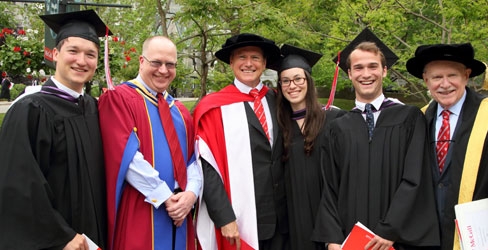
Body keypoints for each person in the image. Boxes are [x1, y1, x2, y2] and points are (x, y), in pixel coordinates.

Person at [312, 29, 440, 250]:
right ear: (349, 74)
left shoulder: (409, 118)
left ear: (385, 70)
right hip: (350, 240)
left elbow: (415, 179)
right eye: (358, 68)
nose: (366, 74)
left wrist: (390, 229)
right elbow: (330, 186)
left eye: (373, 66)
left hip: (396, 240)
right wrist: (332, 238)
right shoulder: (337, 128)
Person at [0, 9, 108, 249]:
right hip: (57, 242)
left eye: (90, 54)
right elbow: (18, 187)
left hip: (95, 235)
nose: (82, 61)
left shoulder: (94, 108)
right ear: (55, 53)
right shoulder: (30, 110)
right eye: (73, 51)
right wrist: (61, 237)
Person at [406, 43, 488, 250]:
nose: (445, 84)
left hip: (484, 242)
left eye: (452, 75)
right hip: (428, 240)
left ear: (466, 76)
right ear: (426, 80)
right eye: (437, 77)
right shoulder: (420, 119)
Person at [98, 35, 201, 250]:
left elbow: (193, 160)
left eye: (170, 64)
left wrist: (191, 194)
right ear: (141, 61)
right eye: (156, 62)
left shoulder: (180, 110)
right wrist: (165, 197)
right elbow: (126, 157)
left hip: (179, 212)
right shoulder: (119, 99)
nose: (163, 70)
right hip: (142, 207)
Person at [193, 33, 288, 250]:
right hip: (240, 220)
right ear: (231, 63)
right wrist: (224, 217)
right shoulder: (214, 108)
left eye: (255, 57)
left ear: (264, 63)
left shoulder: (278, 100)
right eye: (241, 57)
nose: (248, 63)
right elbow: (207, 167)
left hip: (284, 222)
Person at [274, 44, 345, 250]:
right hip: (295, 220)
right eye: (285, 81)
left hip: (330, 216)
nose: (292, 85)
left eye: (298, 79)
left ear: (308, 81)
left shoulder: (334, 120)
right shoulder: (279, 126)